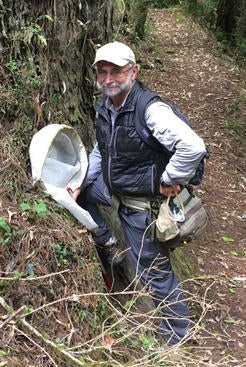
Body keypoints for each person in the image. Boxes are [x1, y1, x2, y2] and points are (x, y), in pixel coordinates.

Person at [72, 41, 207, 346]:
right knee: (78, 197)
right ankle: (107, 240)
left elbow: (193, 146)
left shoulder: (150, 109)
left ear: (133, 72)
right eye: (102, 73)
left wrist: (170, 178)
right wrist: (81, 182)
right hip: (116, 189)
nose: (108, 79)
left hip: (141, 207)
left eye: (116, 72)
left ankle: (178, 340)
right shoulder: (106, 108)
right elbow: (101, 150)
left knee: (154, 274)